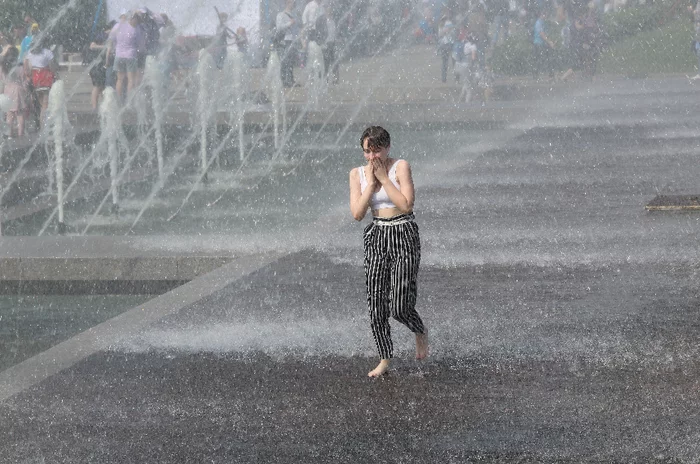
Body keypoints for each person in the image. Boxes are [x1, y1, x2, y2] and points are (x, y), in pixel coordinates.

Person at [349, 126, 429, 377]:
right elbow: (357, 214)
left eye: (377, 151)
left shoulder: (400, 167)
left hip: (403, 233)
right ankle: (384, 358)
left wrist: (384, 179)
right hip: (376, 235)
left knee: (399, 306)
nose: (373, 157)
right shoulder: (356, 174)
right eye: (367, 152)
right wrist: (371, 184)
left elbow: (406, 205)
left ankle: (419, 329)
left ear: (387, 147)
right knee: (376, 306)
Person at [107, 11, 144, 101]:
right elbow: (141, 45)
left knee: (119, 79)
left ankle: (119, 100)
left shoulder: (117, 26)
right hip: (131, 56)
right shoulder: (136, 28)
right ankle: (129, 101)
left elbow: (111, 39)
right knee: (131, 80)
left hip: (119, 56)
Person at [23, 35, 57, 130]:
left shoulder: (29, 53)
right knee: (45, 105)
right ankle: (44, 127)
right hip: (45, 78)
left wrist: (28, 77)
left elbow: (27, 69)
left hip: (35, 79)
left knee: (41, 104)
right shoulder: (47, 52)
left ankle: (41, 125)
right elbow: (52, 67)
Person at [87, 21, 116, 111]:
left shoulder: (110, 36)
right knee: (97, 86)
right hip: (97, 65)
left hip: (102, 65)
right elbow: (92, 46)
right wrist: (105, 47)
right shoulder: (102, 35)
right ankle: (94, 107)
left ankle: (101, 108)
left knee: (103, 87)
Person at [1, 46, 28, 138]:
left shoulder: (3, 66)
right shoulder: (19, 66)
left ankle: (9, 135)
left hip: (7, 91)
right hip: (18, 91)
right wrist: (26, 90)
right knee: (20, 115)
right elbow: (24, 79)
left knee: (9, 115)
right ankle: (21, 135)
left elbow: (2, 79)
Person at [275, 0, 299, 87]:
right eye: (292, 2)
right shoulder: (281, 15)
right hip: (285, 41)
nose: (294, 4)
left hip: (292, 40)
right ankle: (284, 81)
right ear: (287, 2)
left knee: (291, 62)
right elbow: (279, 28)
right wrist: (290, 23)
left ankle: (290, 80)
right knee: (285, 62)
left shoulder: (293, 15)